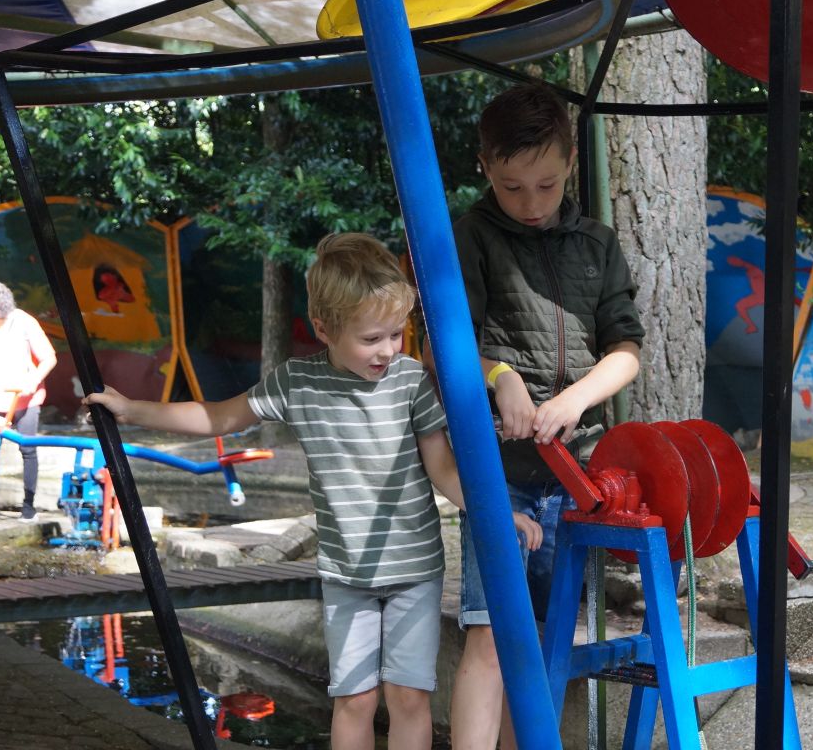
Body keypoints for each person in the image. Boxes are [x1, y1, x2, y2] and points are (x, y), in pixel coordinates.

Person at [84, 233, 541, 750]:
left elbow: (444, 468)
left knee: (409, 697)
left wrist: (496, 513)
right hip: (346, 574)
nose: (388, 350)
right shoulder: (297, 383)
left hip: (414, 570)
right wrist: (135, 410)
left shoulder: (410, 381)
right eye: (372, 339)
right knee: (354, 700)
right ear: (323, 329)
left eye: (396, 334)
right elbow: (219, 415)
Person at [450, 82, 645, 749]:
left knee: (545, 637)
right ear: (484, 167)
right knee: (489, 632)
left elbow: (625, 350)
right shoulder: (468, 234)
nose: (530, 203)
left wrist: (574, 400)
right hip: (494, 471)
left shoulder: (596, 244)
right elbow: (441, 344)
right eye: (511, 187)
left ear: (568, 162)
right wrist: (498, 376)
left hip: (578, 476)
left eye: (546, 185)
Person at [0, 280, 57, 522]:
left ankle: (29, 507)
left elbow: (49, 358)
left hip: (25, 402)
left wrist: (32, 381)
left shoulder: (24, 323)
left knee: (27, 450)